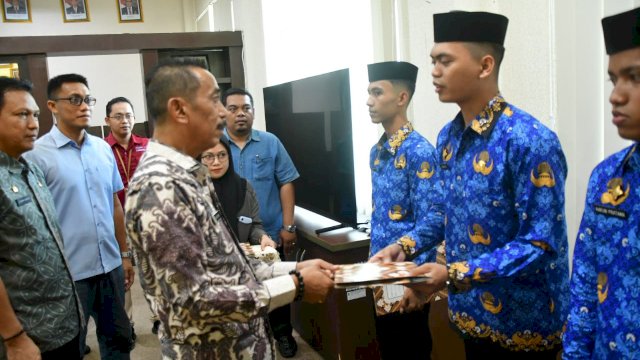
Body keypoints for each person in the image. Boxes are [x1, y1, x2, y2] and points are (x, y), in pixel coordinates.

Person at [371, 11, 570, 359]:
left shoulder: (529, 140)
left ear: (485, 65)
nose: (434, 71)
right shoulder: (449, 138)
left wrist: (453, 273)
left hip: (523, 323)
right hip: (470, 314)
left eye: (445, 61)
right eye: (433, 60)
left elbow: (541, 243)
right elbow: (444, 213)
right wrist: (405, 246)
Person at [125, 58, 335, 359]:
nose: (223, 112)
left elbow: (225, 264)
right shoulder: (160, 188)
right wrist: (295, 286)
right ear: (179, 109)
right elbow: (192, 304)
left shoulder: (190, 175)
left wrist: (292, 268)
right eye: (214, 100)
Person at [23, 73, 133, 359]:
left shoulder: (102, 149)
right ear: (52, 106)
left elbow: (115, 205)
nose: (84, 106)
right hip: (69, 275)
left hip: (110, 266)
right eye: (74, 100)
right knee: (70, 347)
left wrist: (124, 254)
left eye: (87, 99)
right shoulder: (37, 155)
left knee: (119, 342)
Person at [562, 7, 640, 359]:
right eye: (614, 80)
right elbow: (585, 287)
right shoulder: (606, 179)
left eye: (634, 78)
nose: (616, 95)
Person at [0, 77, 83, 360]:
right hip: (28, 336)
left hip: (62, 324)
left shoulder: (28, 167)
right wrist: (14, 338)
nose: (34, 124)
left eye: (35, 115)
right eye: (22, 114)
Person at [366, 61, 443, 359]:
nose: (369, 100)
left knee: (410, 348)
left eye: (376, 92)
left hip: (408, 275)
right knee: (389, 345)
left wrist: (419, 285)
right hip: (380, 270)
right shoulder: (378, 152)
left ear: (401, 98)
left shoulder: (419, 152)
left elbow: (433, 219)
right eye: (368, 92)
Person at [222, 88, 300, 357]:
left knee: (275, 287)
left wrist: (288, 226)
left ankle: (283, 335)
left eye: (246, 107)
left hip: (267, 234)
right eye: (233, 108)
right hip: (229, 237)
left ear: (254, 112)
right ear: (223, 113)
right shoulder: (214, 147)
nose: (240, 113)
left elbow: (286, 182)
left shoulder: (270, 142)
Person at [104, 96, 149, 343]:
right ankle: (127, 323)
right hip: (117, 222)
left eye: (129, 115)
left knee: (154, 272)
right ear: (107, 120)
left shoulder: (148, 144)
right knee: (124, 275)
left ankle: (158, 318)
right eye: (118, 116)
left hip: (147, 222)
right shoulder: (100, 149)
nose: (125, 120)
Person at [200, 137, 277, 250]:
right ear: (200, 159)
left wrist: (262, 237)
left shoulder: (244, 188)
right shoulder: (192, 191)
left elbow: (254, 226)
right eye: (209, 156)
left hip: (242, 261)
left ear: (229, 157)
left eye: (222, 155)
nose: (216, 162)